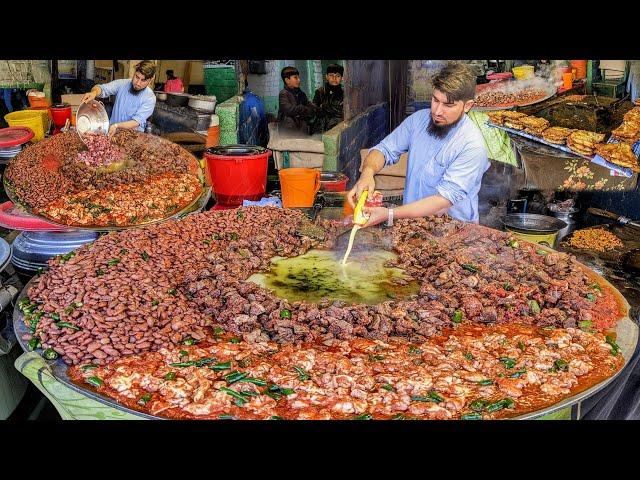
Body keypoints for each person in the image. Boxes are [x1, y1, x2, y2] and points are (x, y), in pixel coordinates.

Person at [348, 62, 489, 226]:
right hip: (412, 223)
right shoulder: (418, 120)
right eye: (435, 100)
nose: (437, 111)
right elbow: (383, 150)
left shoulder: (472, 145)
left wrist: (390, 214)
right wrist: (367, 173)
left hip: (454, 230)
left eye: (448, 105)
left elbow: (442, 202)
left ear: (467, 106)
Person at [81, 60, 157, 136]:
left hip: (134, 137)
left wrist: (116, 126)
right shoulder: (122, 84)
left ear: (150, 80)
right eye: (137, 77)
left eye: (143, 80)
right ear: (134, 73)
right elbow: (102, 88)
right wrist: (94, 93)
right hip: (112, 133)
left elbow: (135, 122)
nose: (138, 83)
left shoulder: (149, 98)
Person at [277, 66, 316, 133]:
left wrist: (310, 109)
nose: (299, 80)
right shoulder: (284, 93)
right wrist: (303, 108)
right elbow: (289, 110)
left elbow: (310, 108)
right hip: (289, 131)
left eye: (298, 77)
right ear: (287, 80)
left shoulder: (301, 93)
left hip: (301, 130)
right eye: (295, 77)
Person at [310, 63, 344, 134]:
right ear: (327, 77)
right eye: (331, 75)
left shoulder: (344, 94)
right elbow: (313, 109)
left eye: (337, 76)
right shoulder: (320, 92)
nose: (334, 79)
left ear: (342, 78)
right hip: (321, 128)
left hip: (338, 128)